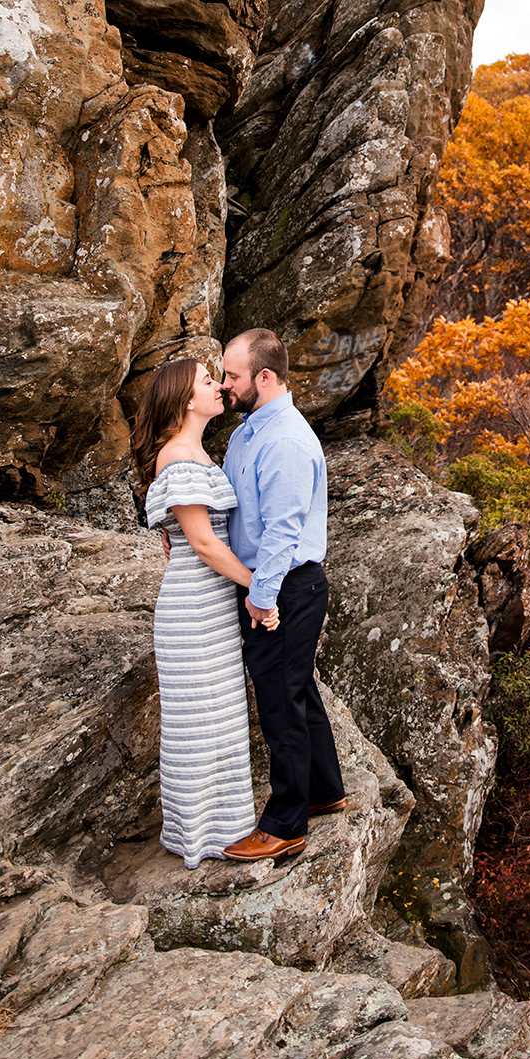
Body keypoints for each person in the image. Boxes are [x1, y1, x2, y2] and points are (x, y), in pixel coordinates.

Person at [131, 357, 279, 869]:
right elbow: (202, 543)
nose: (219, 386)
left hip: (211, 605)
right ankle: (196, 835)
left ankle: (225, 827)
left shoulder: (196, 452)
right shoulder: (176, 457)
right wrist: (262, 589)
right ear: (185, 399)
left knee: (220, 715)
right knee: (197, 720)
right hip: (192, 608)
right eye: (207, 381)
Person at [217, 327, 346, 862]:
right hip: (275, 584)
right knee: (297, 688)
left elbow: (282, 531)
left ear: (263, 377)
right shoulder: (247, 432)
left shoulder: (287, 439)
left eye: (232, 376)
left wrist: (262, 599)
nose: (225, 385)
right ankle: (326, 790)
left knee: (279, 703)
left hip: (285, 587)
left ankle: (286, 823)